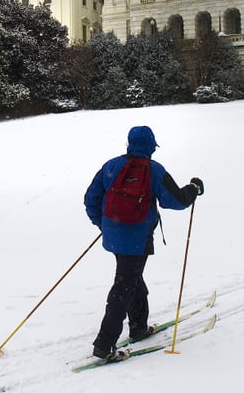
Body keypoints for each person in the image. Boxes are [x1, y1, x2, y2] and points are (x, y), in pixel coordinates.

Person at [83, 125, 204, 361]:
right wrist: (193, 189)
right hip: (138, 240)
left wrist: (103, 225)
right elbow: (176, 201)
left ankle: (138, 327)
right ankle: (104, 344)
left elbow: (91, 199)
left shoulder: (111, 166)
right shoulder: (154, 170)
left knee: (131, 279)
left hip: (114, 237)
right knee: (124, 286)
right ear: (151, 146)